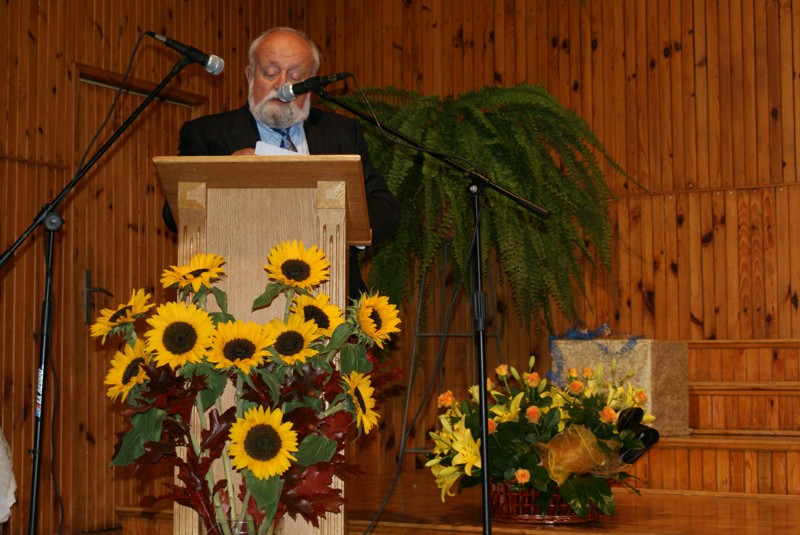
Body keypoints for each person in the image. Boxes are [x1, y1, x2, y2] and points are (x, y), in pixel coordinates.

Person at [165, 27, 398, 300]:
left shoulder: (341, 132)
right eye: (270, 73)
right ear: (250, 76)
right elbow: (173, 216)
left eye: (296, 77)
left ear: (311, 84)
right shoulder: (208, 134)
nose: (282, 86)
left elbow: (384, 206)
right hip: (240, 293)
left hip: (332, 294)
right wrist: (225, 174)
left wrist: (339, 229)